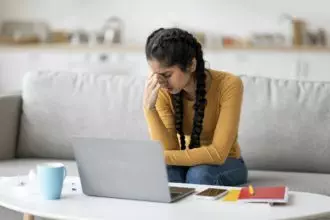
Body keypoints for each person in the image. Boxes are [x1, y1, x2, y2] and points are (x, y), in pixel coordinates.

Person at [143, 27, 248, 186]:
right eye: (155, 74)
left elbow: (218, 153)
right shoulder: (163, 90)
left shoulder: (229, 84)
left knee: (199, 175)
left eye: (167, 75)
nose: (161, 81)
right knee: (166, 173)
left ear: (191, 64)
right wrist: (149, 109)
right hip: (185, 161)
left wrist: (158, 157)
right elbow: (169, 147)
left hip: (227, 162)